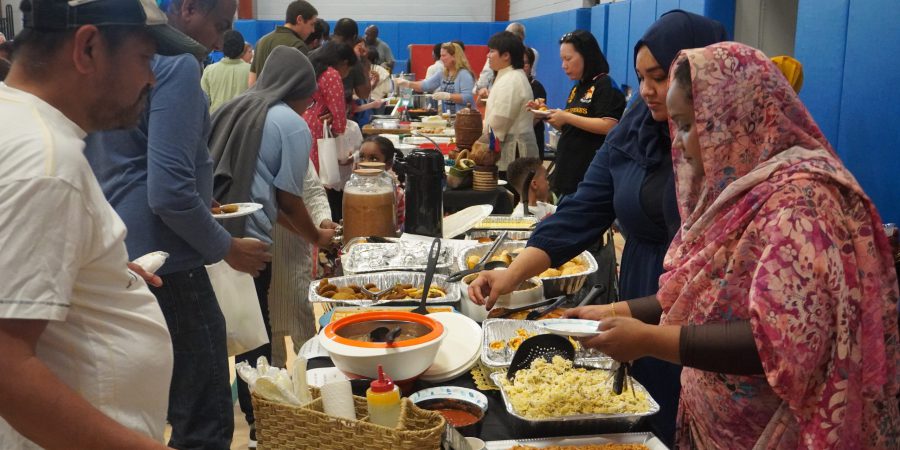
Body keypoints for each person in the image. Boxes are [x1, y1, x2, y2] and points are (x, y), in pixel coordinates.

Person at [573, 41, 899, 449]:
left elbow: (783, 342)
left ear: (735, 114)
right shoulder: (737, 188)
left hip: (770, 430)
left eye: (691, 126)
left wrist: (646, 339)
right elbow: (701, 291)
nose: (682, 144)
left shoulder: (802, 203)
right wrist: (616, 311)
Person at [469, 11, 728, 446]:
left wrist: (624, 317)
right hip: (646, 290)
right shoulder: (637, 125)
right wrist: (510, 275)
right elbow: (584, 208)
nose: (647, 90)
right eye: (641, 76)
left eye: (661, 77)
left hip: (710, 317)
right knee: (650, 413)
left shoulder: (729, 146)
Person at [0, 0, 204, 447]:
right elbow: (6, 364)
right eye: (144, 59)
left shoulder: (16, 125)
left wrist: (87, 267)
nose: (151, 78)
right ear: (88, 48)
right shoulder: (46, 161)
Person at [83, 1, 272, 449]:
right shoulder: (177, 65)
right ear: (188, 8)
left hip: (123, 254)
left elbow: (138, 165)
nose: (218, 40)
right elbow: (167, 193)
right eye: (220, 26)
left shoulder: (117, 68)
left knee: (159, 410)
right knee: (204, 420)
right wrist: (228, 246)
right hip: (170, 264)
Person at [208, 46, 336, 444]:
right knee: (256, 338)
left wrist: (305, 232)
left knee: (226, 335)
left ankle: (248, 423)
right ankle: (262, 427)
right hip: (250, 246)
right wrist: (317, 238)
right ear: (298, 88)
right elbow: (290, 200)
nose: (308, 104)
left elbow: (265, 198)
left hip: (214, 236)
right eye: (310, 95)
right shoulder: (290, 123)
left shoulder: (236, 108)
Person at [531, 29, 626, 197]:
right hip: (566, 174)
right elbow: (572, 128)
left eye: (568, 59)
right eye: (562, 60)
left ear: (586, 56)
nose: (564, 65)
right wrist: (546, 114)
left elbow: (609, 125)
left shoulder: (605, 85)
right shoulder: (577, 87)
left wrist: (566, 116)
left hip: (587, 177)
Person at [304, 41, 358, 221]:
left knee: (310, 181)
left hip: (306, 123)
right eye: (349, 68)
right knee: (323, 183)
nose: (347, 74)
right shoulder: (331, 74)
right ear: (343, 62)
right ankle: (324, 225)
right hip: (321, 129)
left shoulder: (314, 69)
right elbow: (339, 116)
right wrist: (338, 127)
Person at [484, 31, 538, 173]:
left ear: (506, 55)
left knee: (511, 194)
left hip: (514, 153)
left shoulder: (511, 79)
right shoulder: (509, 76)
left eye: (492, 51)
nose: (488, 56)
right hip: (511, 150)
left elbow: (500, 121)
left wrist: (479, 143)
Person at [248, 0, 317, 86]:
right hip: (284, 99)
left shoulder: (261, 41)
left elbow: (251, 82)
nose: (313, 30)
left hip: (259, 98)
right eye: (312, 24)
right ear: (299, 19)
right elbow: (301, 88)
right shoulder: (298, 46)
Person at [398, 42, 474, 114]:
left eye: (444, 56)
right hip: (448, 117)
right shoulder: (443, 73)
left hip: (464, 119)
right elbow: (426, 85)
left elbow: (468, 97)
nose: (441, 58)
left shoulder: (464, 74)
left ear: (454, 56)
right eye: (441, 55)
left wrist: (448, 96)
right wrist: (407, 83)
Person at [475, 22, 539, 99]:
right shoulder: (532, 53)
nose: (488, 55)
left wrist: (481, 87)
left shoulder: (509, 79)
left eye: (492, 51)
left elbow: (486, 75)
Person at [359, 136, 405, 232]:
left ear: (388, 164)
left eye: (374, 159)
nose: (365, 163)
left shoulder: (396, 194)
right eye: (362, 157)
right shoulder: (353, 190)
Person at [202, 29, 251, 112]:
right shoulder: (252, 71)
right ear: (242, 48)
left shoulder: (209, 70)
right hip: (243, 121)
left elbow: (203, 101)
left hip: (216, 120)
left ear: (221, 47)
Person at [524, 47, 547, 158]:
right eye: (521, 63)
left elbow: (535, 119)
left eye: (527, 63)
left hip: (532, 144)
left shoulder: (537, 87)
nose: (525, 66)